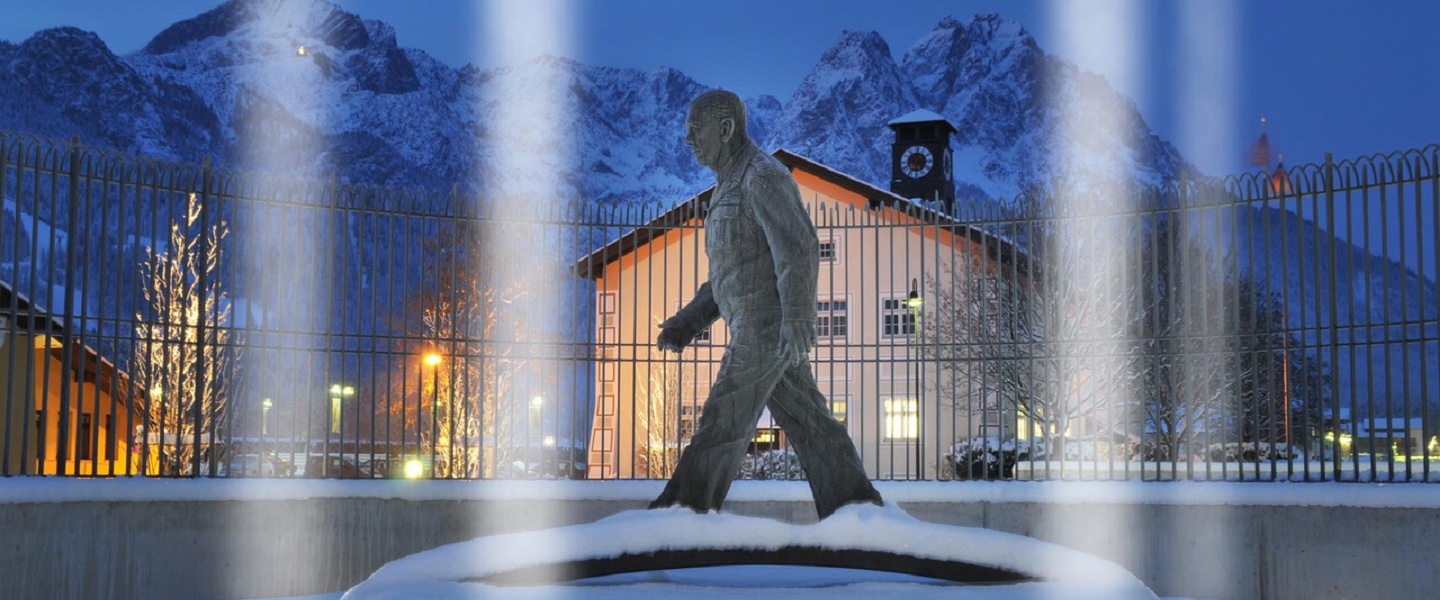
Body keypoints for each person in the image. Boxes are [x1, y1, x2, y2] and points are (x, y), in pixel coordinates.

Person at [648, 90, 883, 520]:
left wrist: (797, 317)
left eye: (694, 130)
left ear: (725, 128)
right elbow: (729, 277)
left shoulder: (762, 177)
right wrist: (687, 323)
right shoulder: (726, 188)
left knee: (723, 421)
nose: (687, 140)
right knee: (813, 427)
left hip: (765, 326)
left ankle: (682, 512)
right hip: (757, 325)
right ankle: (856, 509)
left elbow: (798, 248)